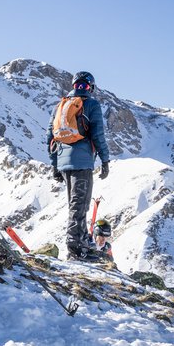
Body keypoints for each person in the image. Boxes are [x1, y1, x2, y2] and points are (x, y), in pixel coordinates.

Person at [46, 71, 111, 260]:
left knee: (76, 205)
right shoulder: (91, 104)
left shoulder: (60, 105)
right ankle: (75, 247)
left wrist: (55, 165)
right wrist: (105, 161)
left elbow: (50, 138)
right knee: (79, 206)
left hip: (63, 162)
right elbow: (98, 135)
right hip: (82, 163)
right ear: (90, 87)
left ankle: (82, 241)